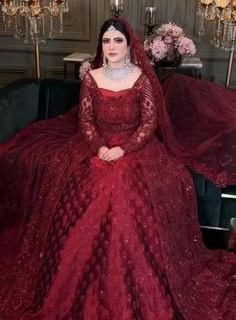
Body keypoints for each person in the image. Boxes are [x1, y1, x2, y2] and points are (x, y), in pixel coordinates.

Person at [0, 18, 235, 320]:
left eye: (118, 41)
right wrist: (99, 147)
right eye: (106, 41)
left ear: (129, 44)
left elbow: (149, 124)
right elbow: (85, 121)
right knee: (91, 185)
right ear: (101, 46)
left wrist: (123, 149)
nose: (111, 47)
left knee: (125, 184)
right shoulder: (92, 78)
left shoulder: (141, 78)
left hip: (135, 147)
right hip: (96, 145)